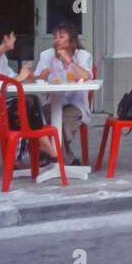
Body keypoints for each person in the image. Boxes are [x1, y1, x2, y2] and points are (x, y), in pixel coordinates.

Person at [0, 20, 57, 165]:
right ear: (5, 38)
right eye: (13, 36)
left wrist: (32, 77)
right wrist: (20, 78)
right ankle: (41, 149)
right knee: (23, 108)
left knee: (30, 100)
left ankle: (39, 149)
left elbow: (11, 78)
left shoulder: (1, 58)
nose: (15, 39)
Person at [34, 21, 94, 166]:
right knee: (39, 120)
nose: (57, 40)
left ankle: (49, 155)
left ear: (71, 39)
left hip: (75, 104)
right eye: (54, 37)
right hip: (53, 103)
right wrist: (39, 76)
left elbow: (86, 76)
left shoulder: (83, 56)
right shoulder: (46, 55)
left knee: (63, 124)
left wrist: (69, 61)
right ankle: (68, 159)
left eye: (61, 36)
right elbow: (37, 78)